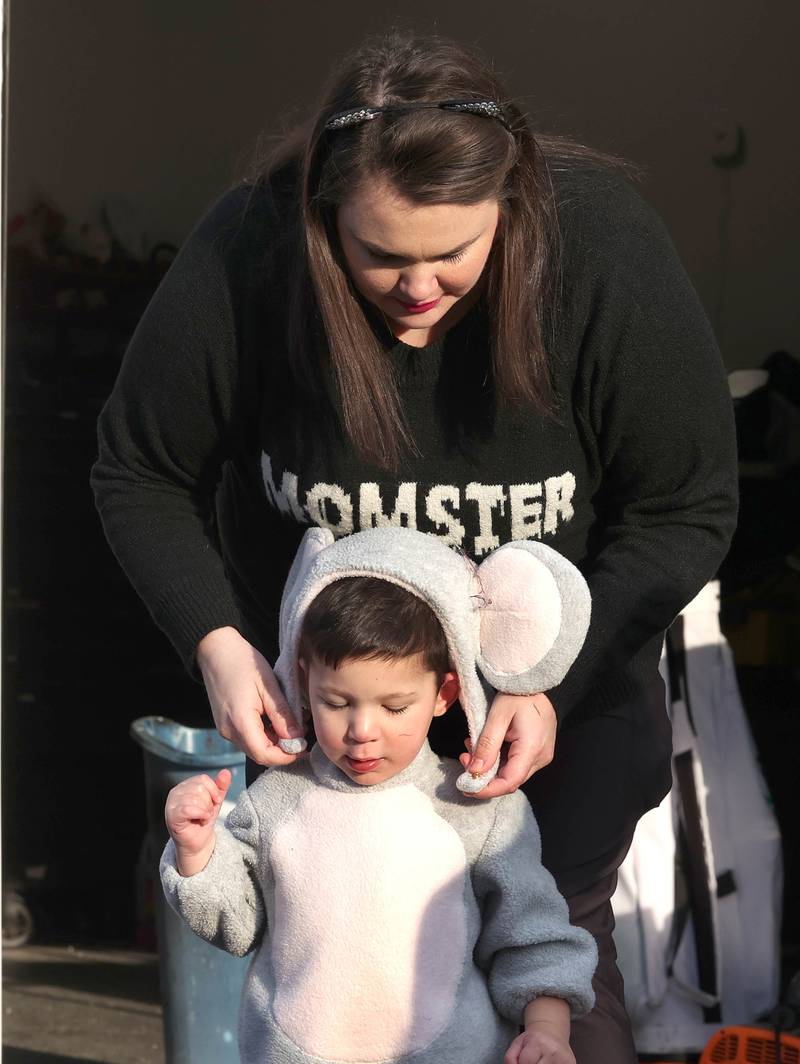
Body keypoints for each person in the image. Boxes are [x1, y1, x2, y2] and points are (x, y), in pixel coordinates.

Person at [91, 29, 738, 1062]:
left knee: (554, 978)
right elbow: (138, 467)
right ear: (319, 220)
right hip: (333, 732)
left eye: (452, 256)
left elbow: (685, 504)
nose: (419, 288)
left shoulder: (604, 252)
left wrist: (547, 686)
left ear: (509, 207)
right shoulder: (250, 252)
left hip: (548, 730)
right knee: (341, 983)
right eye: (380, 256)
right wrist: (217, 641)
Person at [161, 526, 598, 1064]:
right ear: (302, 681)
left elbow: (532, 934)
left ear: (445, 692)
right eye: (336, 701)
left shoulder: (477, 812)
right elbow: (237, 924)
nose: (362, 729)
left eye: (394, 707)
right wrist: (197, 852)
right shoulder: (275, 802)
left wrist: (548, 1031)